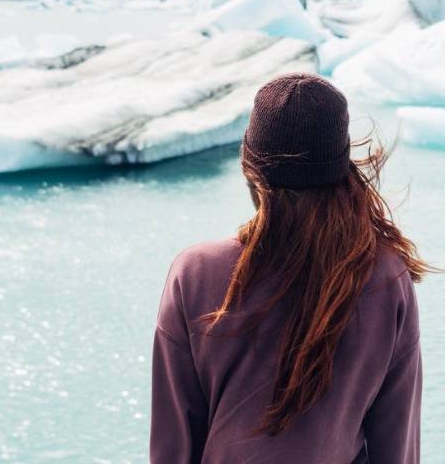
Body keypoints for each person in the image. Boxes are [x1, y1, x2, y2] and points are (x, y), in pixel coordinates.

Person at [150, 73, 429, 463]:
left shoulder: (195, 273)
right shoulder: (385, 277)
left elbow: (173, 445)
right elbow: (396, 446)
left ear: (250, 168)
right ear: (342, 169)